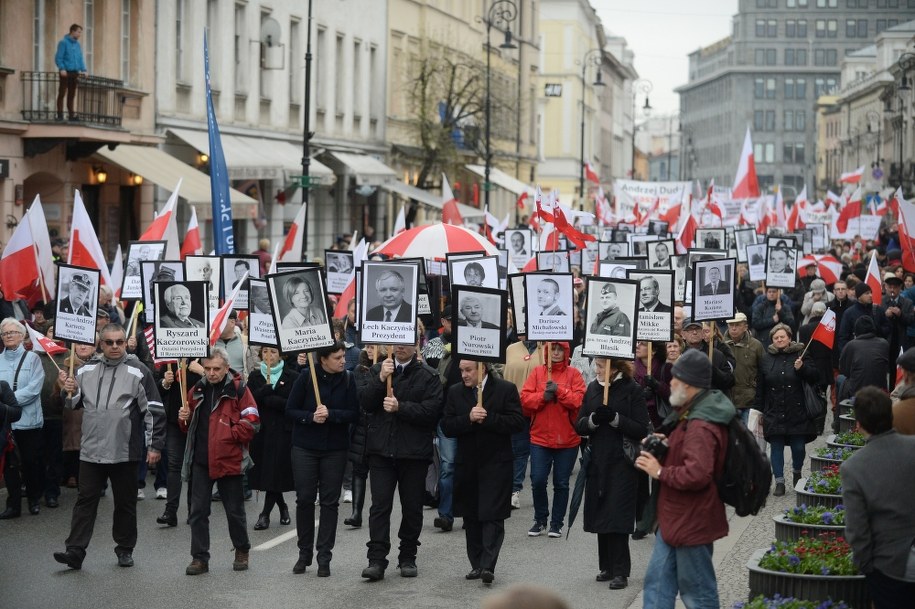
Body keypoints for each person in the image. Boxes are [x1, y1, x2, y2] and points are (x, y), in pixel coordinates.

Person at [53, 323, 165, 569]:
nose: (115, 346)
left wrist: (155, 446)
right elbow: (72, 404)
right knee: (85, 500)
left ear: (125, 343)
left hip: (124, 450)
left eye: (120, 342)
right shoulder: (85, 370)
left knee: (124, 503)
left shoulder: (139, 370)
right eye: (109, 342)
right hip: (91, 449)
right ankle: (75, 551)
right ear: (100, 345)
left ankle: (125, 549)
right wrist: (67, 391)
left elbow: (154, 411)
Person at [635, 350, 736, 608]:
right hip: (674, 519)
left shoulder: (701, 424)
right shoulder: (692, 412)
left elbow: (698, 474)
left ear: (689, 384)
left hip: (693, 521)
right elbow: (690, 452)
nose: (670, 383)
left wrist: (659, 470)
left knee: (698, 595)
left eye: (675, 379)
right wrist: (667, 443)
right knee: (657, 589)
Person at [360, 338, 443, 581]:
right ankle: (376, 559)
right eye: (395, 342)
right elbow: (365, 403)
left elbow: (432, 413)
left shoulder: (428, 376)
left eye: (406, 342)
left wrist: (401, 407)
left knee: (412, 507)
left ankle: (407, 556)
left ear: (416, 344)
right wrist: (379, 380)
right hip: (381, 451)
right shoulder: (378, 369)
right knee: (379, 507)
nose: (400, 347)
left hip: (413, 453)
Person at [441, 359, 525, 585]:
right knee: (472, 515)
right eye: (461, 371)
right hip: (467, 463)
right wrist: (468, 419)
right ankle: (476, 564)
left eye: (468, 370)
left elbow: (517, 422)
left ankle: (488, 565)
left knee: (493, 515)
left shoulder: (505, 389)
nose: (464, 375)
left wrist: (488, 418)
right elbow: (447, 426)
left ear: (482, 369)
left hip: (497, 462)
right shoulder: (456, 392)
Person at [179, 347, 260, 575]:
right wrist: (182, 419)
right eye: (207, 368)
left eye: (216, 368)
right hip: (201, 460)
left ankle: (242, 550)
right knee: (198, 512)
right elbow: (187, 428)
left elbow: (253, 421)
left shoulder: (239, 389)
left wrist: (229, 434)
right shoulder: (197, 389)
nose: (211, 373)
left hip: (229, 460)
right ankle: (199, 558)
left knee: (234, 511)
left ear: (226, 367)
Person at [285, 342, 359, 575]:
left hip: (335, 449)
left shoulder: (348, 379)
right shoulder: (306, 377)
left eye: (343, 356)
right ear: (323, 359)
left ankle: (324, 556)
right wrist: (309, 417)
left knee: (330, 502)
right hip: (305, 447)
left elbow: (354, 413)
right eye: (337, 357)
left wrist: (332, 415)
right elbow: (290, 409)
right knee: (305, 499)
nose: (342, 360)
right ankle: (304, 552)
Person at [576, 357, 649, 590]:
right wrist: (593, 420)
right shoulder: (593, 388)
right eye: (596, 365)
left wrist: (616, 419)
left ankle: (621, 571)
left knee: (618, 515)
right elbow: (579, 424)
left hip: (622, 461)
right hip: (598, 460)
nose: (596, 370)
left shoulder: (632, 389)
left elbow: (640, 427)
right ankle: (606, 566)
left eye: (600, 366)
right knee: (601, 512)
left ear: (615, 368)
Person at [841, 386, 915, 607]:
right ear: (891, 414)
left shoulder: (853, 468)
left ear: (859, 425)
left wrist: (865, 565)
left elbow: (857, 528)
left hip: (890, 566)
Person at [519, 342, 586, 538]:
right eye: (553, 349)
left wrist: (560, 392)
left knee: (561, 483)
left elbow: (580, 402)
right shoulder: (538, 373)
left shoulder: (574, 374)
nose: (556, 353)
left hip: (568, 439)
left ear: (565, 352)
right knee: (538, 480)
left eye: (560, 349)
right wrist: (542, 396)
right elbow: (524, 400)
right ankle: (540, 519)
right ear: (547, 351)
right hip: (540, 437)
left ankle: (556, 523)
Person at [755, 323, 819, 496]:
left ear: (790, 338)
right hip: (773, 411)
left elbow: (815, 377)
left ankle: (797, 472)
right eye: (776, 338)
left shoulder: (802, 354)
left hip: (797, 410)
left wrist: (803, 368)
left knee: (798, 447)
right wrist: (759, 410)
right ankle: (779, 482)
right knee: (776, 447)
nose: (779, 340)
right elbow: (760, 387)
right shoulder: (766, 359)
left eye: (782, 337)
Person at [0, 319, 46, 519]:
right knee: (9, 465)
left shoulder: (33, 359)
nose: (9, 335)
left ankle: (34, 499)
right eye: (4, 333)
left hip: (28, 421)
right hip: (5, 423)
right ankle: (14, 505)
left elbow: (34, 389)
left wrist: (8, 402)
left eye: (13, 332)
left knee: (30, 462)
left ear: (22, 335)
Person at [247, 347, 296, 532]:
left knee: (275, 471)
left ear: (281, 354)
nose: (269, 356)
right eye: (265, 352)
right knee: (267, 472)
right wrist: (262, 392)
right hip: (262, 432)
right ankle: (282, 506)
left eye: (273, 352)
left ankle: (265, 514)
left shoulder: (292, 375)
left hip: (284, 432)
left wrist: (270, 399)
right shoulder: (254, 376)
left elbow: (292, 403)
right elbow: (249, 401)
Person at [154, 358, 203, 528]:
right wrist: (165, 383)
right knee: (174, 465)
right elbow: (158, 390)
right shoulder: (170, 359)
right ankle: (170, 511)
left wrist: (200, 371)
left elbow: (215, 385)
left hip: (198, 421)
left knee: (195, 465)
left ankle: (193, 510)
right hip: (175, 421)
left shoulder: (202, 358)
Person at [723, 312, 764, 426]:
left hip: (749, 401)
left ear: (745, 326)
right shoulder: (721, 345)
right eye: (731, 325)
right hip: (727, 401)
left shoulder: (756, 346)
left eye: (737, 325)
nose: (734, 328)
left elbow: (763, 372)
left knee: (748, 439)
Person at [839, 316, 890, 401]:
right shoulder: (884, 344)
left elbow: (844, 370)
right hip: (880, 390)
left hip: (857, 392)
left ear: (856, 330)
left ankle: (839, 412)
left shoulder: (851, 345)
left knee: (839, 379)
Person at [681, 318, 735, 394]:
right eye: (690, 329)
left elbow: (729, 382)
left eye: (697, 329)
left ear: (703, 333)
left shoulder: (716, 354)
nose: (694, 332)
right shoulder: (679, 356)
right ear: (683, 334)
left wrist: (713, 370)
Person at [55, 24, 87, 121]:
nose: (79, 34)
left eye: (80, 32)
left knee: (72, 95)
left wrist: (84, 70)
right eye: (78, 32)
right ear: (72, 31)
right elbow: (58, 58)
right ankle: (60, 114)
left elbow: (80, 58)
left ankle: (71, 115)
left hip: (75, 73)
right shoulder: (63, 43)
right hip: (66, 72)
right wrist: (62, 68)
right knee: (62, 93)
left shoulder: (77, 45)